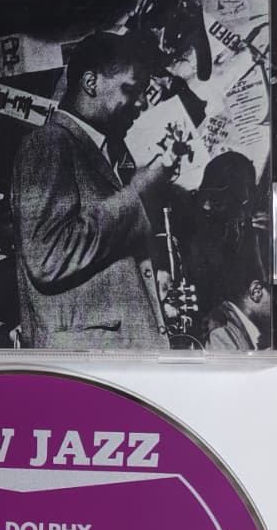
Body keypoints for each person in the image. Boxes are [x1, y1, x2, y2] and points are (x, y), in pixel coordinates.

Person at [10, 30, 181, 349]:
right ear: (91, 83)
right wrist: (137, 193)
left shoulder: (108, 151)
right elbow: (48, 258)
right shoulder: (48, 143)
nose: (142, 103)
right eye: (131, 89)